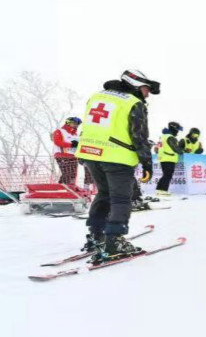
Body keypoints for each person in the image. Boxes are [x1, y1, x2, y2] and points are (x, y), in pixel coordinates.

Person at [75, 69, 158, 263]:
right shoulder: (132, 102)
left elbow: (91, 125)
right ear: (136, 84)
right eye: (146, 89)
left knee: (103, 194)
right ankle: (114, 240)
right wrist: (147, 162)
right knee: (121, 198)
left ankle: (96, 236)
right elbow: (139, 135)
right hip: (116, 155)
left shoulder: (96, 96)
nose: (147, 94)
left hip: (90, 152)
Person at [155, 121, 184, 196]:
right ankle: (163, 191)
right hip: (169, 158)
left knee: (165, 175)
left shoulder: (162, 137)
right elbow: (176, 148)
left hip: (163, 158)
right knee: (167, 175)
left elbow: (156, 149)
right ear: (174, 129)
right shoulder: (170, 137)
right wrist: (182, 151)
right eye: (177, 130)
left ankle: (159, 190)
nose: (177, 132)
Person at [52, 117, 81, 184]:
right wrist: (71, 144)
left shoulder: (76, 134)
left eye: (77, 124)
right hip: (62, 155)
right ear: (68, 122)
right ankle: (61, 189)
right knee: (67, 173)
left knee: (73, 175)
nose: (76, 125)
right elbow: (57, 141)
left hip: (73, 156)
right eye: (74, 123)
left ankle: (69, 188)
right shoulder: (60, 131)